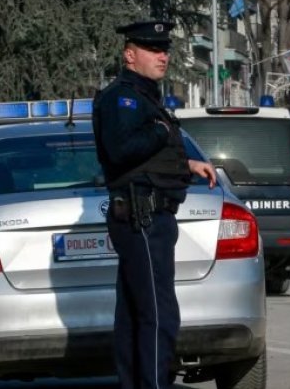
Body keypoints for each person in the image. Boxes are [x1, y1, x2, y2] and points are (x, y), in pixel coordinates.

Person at [92, 20, 216, 389]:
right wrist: (160, 130)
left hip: (148, 215)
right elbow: (122, 150)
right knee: (158, 314)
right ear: (130, 54)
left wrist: (187, 165)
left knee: (136, 312)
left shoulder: (145, 96)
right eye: (153, 49)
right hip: (142, 217)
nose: (162, 56)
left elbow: (147, 159)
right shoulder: (124, 97)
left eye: (164, 50)